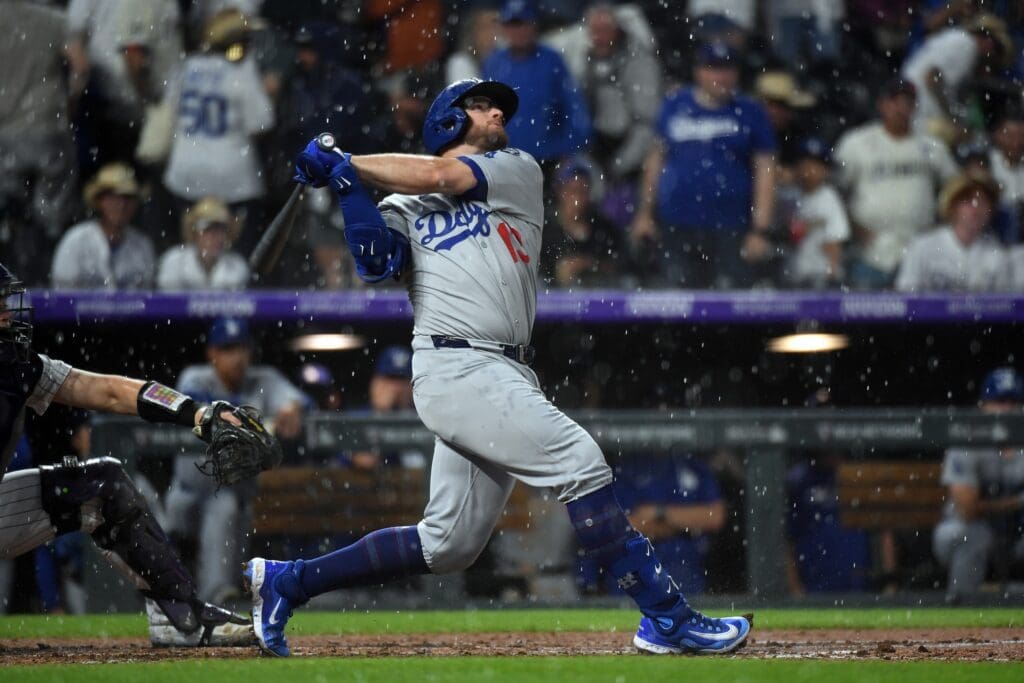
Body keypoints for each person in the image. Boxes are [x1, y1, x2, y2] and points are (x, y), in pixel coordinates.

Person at [242, 77, 751, 657]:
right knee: (581, 462)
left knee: (448, 546)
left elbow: (439, 177)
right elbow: (377, 264)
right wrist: (344, 185)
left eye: (498, 108)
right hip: (454, 366)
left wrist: (344, 162)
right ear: (447, 120)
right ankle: (666, 617)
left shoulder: (515, 168)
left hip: (503, 369)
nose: (495, 114)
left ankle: (288, 582)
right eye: (480, 106)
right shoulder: (400, 203)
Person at [0, 262, 256, 646]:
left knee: (103, 484)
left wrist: (196, 413)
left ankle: (180, 616)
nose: (9, 313)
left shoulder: (18, 368)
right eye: (0, 305)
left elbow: (107, 390)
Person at [164, 317, 306, 603]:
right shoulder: (196, 377)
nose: (236, 357)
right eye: (227, 348)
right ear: (212, 353)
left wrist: (291, 408)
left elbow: (298, 400)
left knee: (229, 508)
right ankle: (210, 599)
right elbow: (197, 404)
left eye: (241, 348)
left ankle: (216, 602)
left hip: (235, 500)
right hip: (187, 499)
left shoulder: (263, 379)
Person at [630, 41, 777, 288]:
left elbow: (766, 170)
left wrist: (760, 230)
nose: (720, 76)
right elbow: (655, 162)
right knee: (676, 300)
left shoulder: (750, 111)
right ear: (699, 71)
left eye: (727, 69)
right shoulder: (675, 105)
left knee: (729, 304)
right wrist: (645, 214)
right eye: (713, 68)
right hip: (676, 223)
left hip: (731, 226)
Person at [161, 8, 274, 249]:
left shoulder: (186, 66)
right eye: (245, 38)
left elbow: (168, 109)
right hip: (232, 180)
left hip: (186, 175)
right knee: (237, 260)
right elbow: (262, 125)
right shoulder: (242, 71)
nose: (249, 43)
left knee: (189, 254)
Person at [833, 78, 959, 289]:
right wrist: (853, 228)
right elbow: (835, 192)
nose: (901, 108)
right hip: (871, 252)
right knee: (866, 316)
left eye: (908, 102)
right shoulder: (856, 143)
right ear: (882, 104)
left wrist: (940, 227)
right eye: (895, 101)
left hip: (920, 249)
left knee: (922, 319)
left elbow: (956, 190)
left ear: (915, 107)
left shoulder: (931, 146)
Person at [933, 368, 1024, 602]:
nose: (1007, 409)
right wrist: (1016, 503)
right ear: (983, 405)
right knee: (975, 536)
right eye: (999, 402)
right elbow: (968, 510)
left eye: (1013, 402)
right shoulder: (967, 439)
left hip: (1015, 532)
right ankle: (961, 605)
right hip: (959, 529)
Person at [578, 453, 725, 596]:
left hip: (683, 570)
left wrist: (659, 513)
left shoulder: (688, 463)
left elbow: (714, 517)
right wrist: (679, 526)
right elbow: (619, 526)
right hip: (631, 574)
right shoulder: (620, 470)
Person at [481, 0, 592, 166]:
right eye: (513, 24)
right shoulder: (494, 63)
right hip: (504, 162)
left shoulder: (551, 60)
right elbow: (483, 113)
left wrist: (569, 150)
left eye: (524, 23)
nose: (519, 30)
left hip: (548, 159)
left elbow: (574, 109)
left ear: (535, 25)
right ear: (504, 28)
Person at [896, 171, 1010, 292]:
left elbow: (1003, 306)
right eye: (967, 200)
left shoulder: (997, 254)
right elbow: (905, 297)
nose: (975, 207)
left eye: (983, 201)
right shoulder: (922, 246)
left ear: (991, 210)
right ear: (952, 206)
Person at [50, 163, 156, 290]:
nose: (121, 205)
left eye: (128, 198)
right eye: (114, 197)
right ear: (100, 201)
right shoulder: (76, 241)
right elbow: (62, 295)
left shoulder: (143, 246)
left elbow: (146, 298)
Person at [783, 138, 850, 288]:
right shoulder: (791, 197)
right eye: (804, 163)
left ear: (826, 170)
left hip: (822, 275)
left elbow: (835, 238)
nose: (809, 169)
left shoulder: (829, 197)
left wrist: (832, 270)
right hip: (795, 274)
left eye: (816, 164)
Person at [157, 197, 249, 291]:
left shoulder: (237, 266)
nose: (216, 237)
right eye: (208, 230)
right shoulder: (173, 261)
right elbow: (168, 303)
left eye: (221, 230)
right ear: (195, 233)